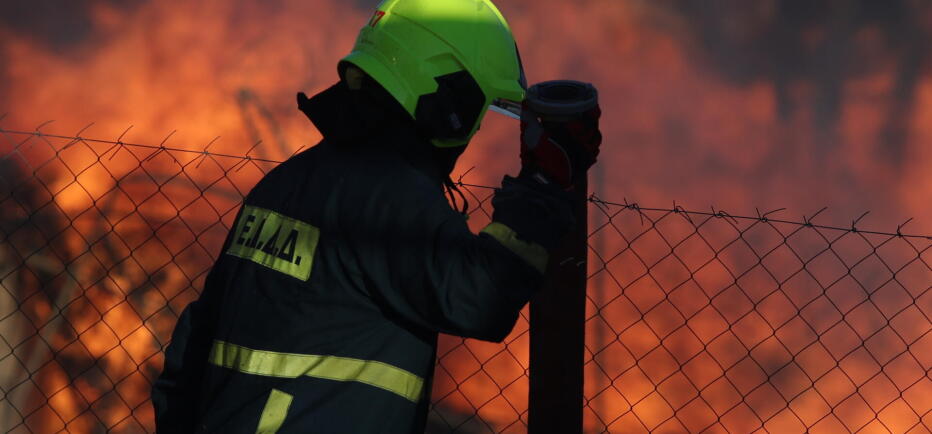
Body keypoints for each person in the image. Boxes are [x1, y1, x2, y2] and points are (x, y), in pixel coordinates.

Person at [150, 0, 601, 432]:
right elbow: (479, 297)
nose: (476, 128)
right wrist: (542, 185)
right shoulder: (387, 199)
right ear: (450, 99)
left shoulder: (286, 184)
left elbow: (187, 357)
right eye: (478, 109)